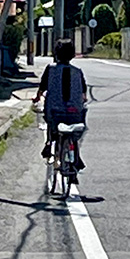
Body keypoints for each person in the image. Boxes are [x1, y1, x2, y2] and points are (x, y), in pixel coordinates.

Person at [33, 38, 88, 169]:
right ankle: (76, 156)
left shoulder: (51, 70)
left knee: (51, 125)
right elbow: (83, 94)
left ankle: (48, 143)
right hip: (74, 112)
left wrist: (37, 98)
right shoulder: (77, 71)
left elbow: (42, 88)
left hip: (54, 112)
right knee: (74, 131)